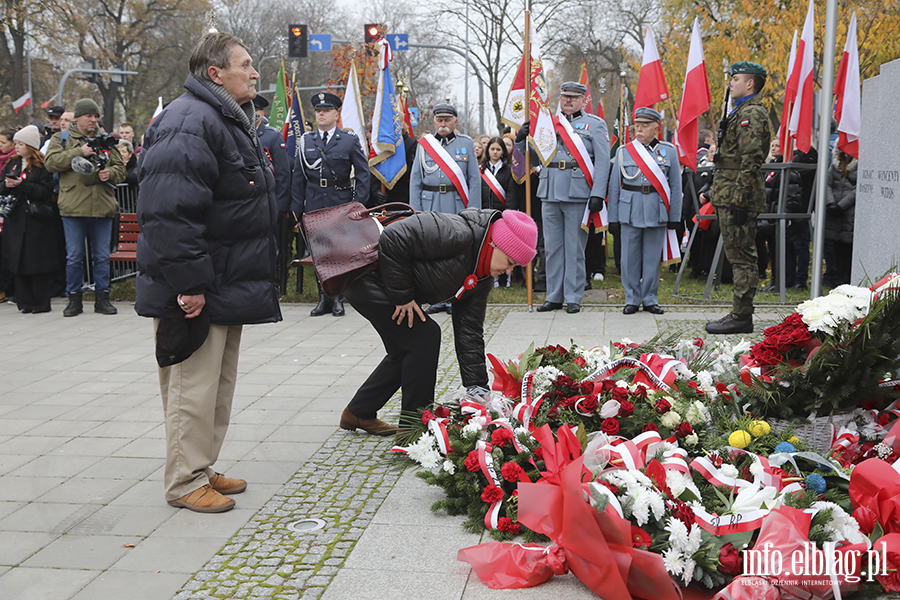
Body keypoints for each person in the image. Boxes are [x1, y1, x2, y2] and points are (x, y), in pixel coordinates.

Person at [136, 31, 282, 513]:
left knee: (216, 385)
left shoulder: (219, 117)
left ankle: (200, 465)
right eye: (246, 64)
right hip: (197, 285)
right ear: (215, 73)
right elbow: (170, 213)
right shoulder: (189, 120)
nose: (255, 72)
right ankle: (183, 480)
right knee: (191, 387)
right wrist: (190, 285)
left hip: (223, 279)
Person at [340, 208, 537, 435]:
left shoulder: (482, 276)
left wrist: (478, 388)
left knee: (405, 349)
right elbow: (394, 237)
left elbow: (469, 331)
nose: (507, 271)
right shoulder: (458, 233)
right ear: (495, 243)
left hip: (386, 284)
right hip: (367, 277)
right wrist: (403, 296)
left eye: (514, 268)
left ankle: (358, 412)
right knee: (424, 337)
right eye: (510, 262)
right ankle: (415, 429)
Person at [516, 81, 609, 314]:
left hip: (577, 192)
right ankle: (554, 296)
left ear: (583, 100)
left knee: (575, 248)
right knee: (552, 248)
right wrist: (521, 138)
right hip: (549, 191)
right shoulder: (547, 124)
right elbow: (534, 159)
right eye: (565, 96)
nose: (568, 101)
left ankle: (574, 296)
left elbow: (603, 162)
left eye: (573, 97)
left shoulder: (594, 125)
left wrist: (598, 193)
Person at [291, 91, 371, 317]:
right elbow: (298, 175)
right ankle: (323, 298)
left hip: (340, 202)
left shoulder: (348, 140)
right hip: (314, 202)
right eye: (318, 111)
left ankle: (338, 299)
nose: (321, 114)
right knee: (319, 254)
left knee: (338, 253)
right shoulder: (307, 141)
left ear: (336, 114)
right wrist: (297, 206)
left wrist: (358, 205)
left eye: (326, 111)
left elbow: (364, 175)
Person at [705, 62, 771, 334]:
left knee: (743, 257)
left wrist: (740, 198)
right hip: (729, 192)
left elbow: (752, 158)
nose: (731, 83)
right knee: (737, 256)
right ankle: (739, 313)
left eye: (736, 79)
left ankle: (742, 316)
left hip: (737, 196)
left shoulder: (751, 114)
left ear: (750, 84)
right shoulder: (739, 112)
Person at [44, 98, 126, 317]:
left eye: (96, 116)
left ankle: (103, 298)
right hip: (73, 206)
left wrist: (112, 174)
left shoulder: (105, 138)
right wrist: (78, 151)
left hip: (103, 205)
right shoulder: (61, 138)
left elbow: (120, 168)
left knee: (101, 256)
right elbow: (50, 163)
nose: (93, 120)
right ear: (78, 117)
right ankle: (74, 299)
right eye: (89, 116)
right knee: (74, 257)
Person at [607, 107, 682, 315]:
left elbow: (676, 187)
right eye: (637, 125)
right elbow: (614, 188)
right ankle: (631, 299)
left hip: (656, 211)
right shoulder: (624, 151)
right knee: (629, 258)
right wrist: (612, 217)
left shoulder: (669, 152)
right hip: (629, 211)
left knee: (651, 258)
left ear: (656, 128)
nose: (639, 129)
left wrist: (674, 216)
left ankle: (650, 299)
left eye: (645, 125)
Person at [409, 103, 481, 315]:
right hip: (430, 204)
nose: (443, 124)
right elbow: (415, 181)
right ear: (434, 121)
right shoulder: (424, 145)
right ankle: (437, 297)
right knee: (433, 252)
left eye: (447, 120)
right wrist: (416, 213)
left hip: (456, 203)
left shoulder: (466, 144)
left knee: (457, 252)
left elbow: (474, 180)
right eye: (439, 120)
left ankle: (455, 297)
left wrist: (473, 212)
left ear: (455, 122)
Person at [0, 125, 59, 313]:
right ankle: (24, 302)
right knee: (17, 260)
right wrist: (7, 184)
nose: (16, 147)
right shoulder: (12, 164)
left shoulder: (42, 166)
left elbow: (44, 191)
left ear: (31, 146)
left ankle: (40, 303)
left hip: (36, 218)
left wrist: (22, 185)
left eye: (20, 144)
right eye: (15, 143)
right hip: (16, 218)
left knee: (37, 260)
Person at [823, 150, 857, 286]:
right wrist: (831, 203)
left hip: (848, 212)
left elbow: (858, 189)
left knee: (847, 247)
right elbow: (827, 184)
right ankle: (835, 278)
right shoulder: (834, 166)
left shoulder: (860, 166)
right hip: (833, 212)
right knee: (834, 247)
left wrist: (841, 206)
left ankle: (846, 278)